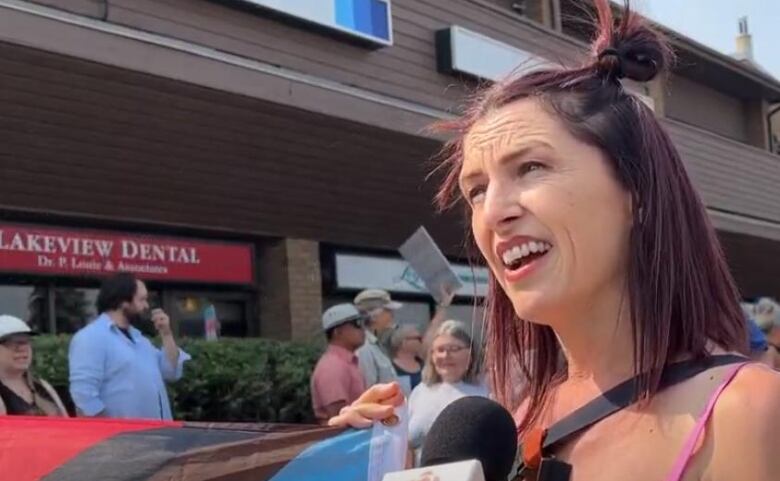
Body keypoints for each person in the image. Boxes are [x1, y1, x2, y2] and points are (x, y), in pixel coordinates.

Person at [329, 1, 780, 479]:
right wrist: (375, 457)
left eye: (531, 168)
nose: (495, 212)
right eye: (477, 191)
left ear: (637, 192)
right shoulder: (514, 423)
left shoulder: (747, 414)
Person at [69, 273, 191, 420]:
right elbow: (84, 396)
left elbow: (170, 372)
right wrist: (109, 434)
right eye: (141, 300)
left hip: (157, 434)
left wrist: (166, 334)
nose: (146, 306)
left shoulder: (140, 339)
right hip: (122, 438)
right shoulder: (91, 337)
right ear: (123, 302)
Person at [408, 320, 487, 460]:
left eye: (454, 349)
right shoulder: (420, 392)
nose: (445, 356)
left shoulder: (487, 392)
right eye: (440, 350)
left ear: (471, 352)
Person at [0, 315, 67, 416]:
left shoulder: (42, 386)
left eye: (26, 342)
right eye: (11, 343)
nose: (23, 349)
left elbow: (68, 425)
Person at [310, 303, 367, 423]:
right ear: (338, 332)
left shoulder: (346, 363)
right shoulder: (332, 366)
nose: (363, 329)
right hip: (344, 439)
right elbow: (338, 416)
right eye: (356, 324)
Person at [354, 289, 401, 387]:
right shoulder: (364, 348)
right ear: (373, 316)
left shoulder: (376, 344)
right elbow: (368, 389)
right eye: (388, 311)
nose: (392, 315)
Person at [389, 324, 424, 395]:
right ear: (403, 341)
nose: (421, 342)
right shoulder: (389, 367)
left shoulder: (425, 365)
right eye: (418, 338)